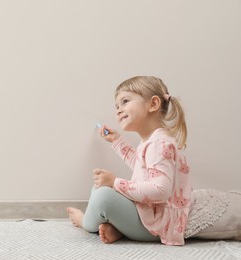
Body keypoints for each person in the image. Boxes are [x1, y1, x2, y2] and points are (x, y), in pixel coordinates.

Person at [67, 76, 193, 246]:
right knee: (99, 187)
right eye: (117, 106)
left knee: (103, 195)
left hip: (158, 225)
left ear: (153, 104)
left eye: (125, 101)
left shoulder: (158, 144)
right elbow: (140, 166)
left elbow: (161, 190)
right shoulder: (152, 140)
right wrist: (116, 141)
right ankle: (118, 229)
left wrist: (115, 183)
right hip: (151, 215)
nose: (118, 110)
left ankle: (86, 222)